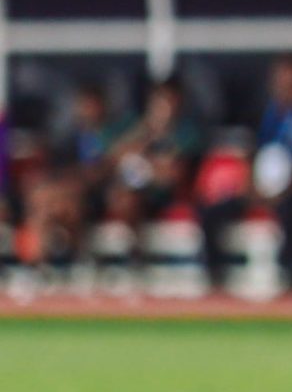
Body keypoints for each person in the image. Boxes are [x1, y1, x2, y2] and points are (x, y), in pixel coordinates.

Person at [200, 56, 292, 297]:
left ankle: (291, 281)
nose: (286, 86)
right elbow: (250, 157)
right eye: (282, 79)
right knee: (213, 212)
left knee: (290, 212)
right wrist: (254, 188)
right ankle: (215, 280)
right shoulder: (264, 117)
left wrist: (289, 187)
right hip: (263, 191)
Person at [97, 78, 205, 273]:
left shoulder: (186, 132)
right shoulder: (140, 128)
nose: (164, 109)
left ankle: (135, 258)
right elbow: (114, 156)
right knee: (121, 196)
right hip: (137, 193)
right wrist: (147, 133)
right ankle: (118, 258)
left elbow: (173, 173)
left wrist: (149, 165)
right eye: (158, 102)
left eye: (168, 102)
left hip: (167, 196)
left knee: (128, 197)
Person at [25, 84, 115, 271]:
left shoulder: (112, 136)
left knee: (68, 205)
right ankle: (38, 266)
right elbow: (59, 171)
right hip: (67, 194)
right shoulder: (68, 139)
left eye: (93, 105)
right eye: (85, 105)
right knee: (48, 208)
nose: (89, 111)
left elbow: (105, 170)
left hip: (97, 197)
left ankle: (78, 261)